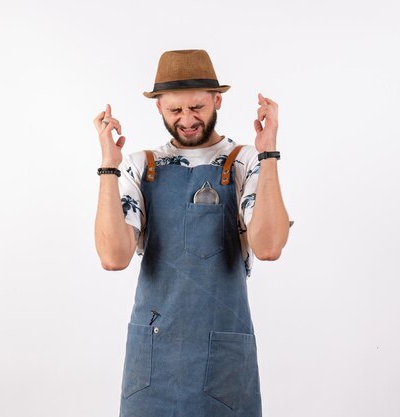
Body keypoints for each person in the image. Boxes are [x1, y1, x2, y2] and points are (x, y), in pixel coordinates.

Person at [93, 49, 291, 417]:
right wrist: (109, 167)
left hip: (222, 356)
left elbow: (269, 246)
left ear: (217, 99)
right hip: (153, 355)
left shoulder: (244, 162)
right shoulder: (141, 166)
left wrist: (270, 154)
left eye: (197, 107)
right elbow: (113, 258)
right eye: (175, 110)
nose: (187, 120)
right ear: (159, 108)